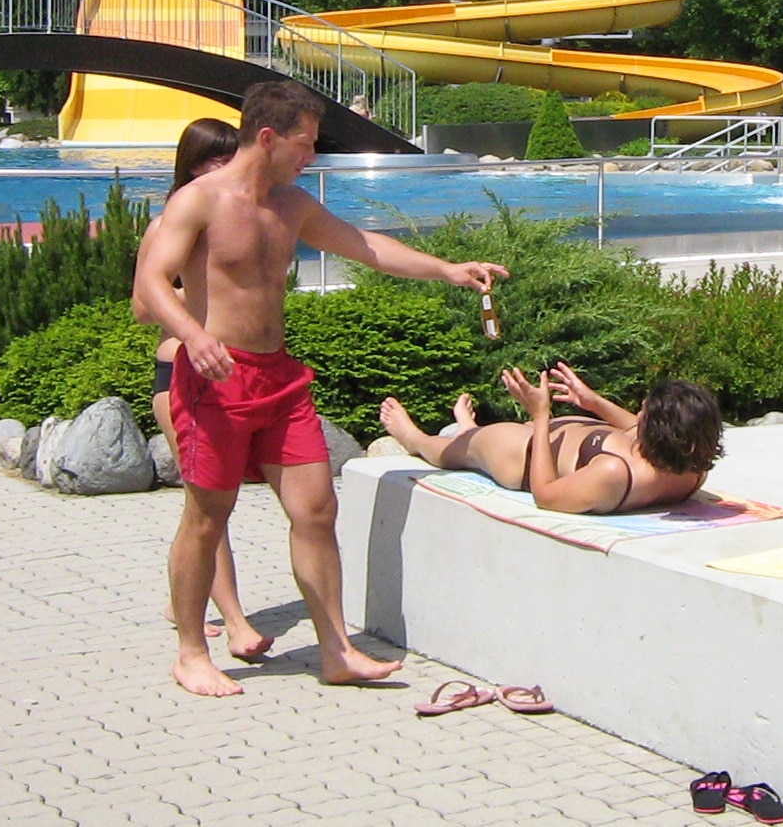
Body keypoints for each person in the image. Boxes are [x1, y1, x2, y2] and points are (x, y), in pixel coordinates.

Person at [132, 79, 508, 698]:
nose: (312, 155)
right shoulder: (200, 201)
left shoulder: (293, 205)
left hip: (279, 378)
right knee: (207, 516)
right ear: (267, 137)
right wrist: (191, 335)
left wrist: (447, 269)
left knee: (316, 509)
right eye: (305, 144)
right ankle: (192, 651)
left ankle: (336, 649)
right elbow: (150, 282)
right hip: (214, 383)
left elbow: (364, 247)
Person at [147, 118, 269, 662]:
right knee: (207, 505)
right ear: (193, 165)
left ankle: (185, 599)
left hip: (234, 374)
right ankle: (236, 621)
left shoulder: (238, 214)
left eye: (231, 157)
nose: (226, 169)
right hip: (181, 374)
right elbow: (140, 304)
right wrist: (194, 293)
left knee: (205, 507)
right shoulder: (173, 221)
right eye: (216, 159)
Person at [378, 366, 724, 516]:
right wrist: (593, 403)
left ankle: (416, 436)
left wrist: (541, 416)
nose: (638, 414)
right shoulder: (689, 465)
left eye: (645, 410)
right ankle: (468, 429)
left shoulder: (613, 473)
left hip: (524, 455)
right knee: (474, 437)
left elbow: (545, 495)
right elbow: (635, 428)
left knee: (455, 450)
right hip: (567, 437)